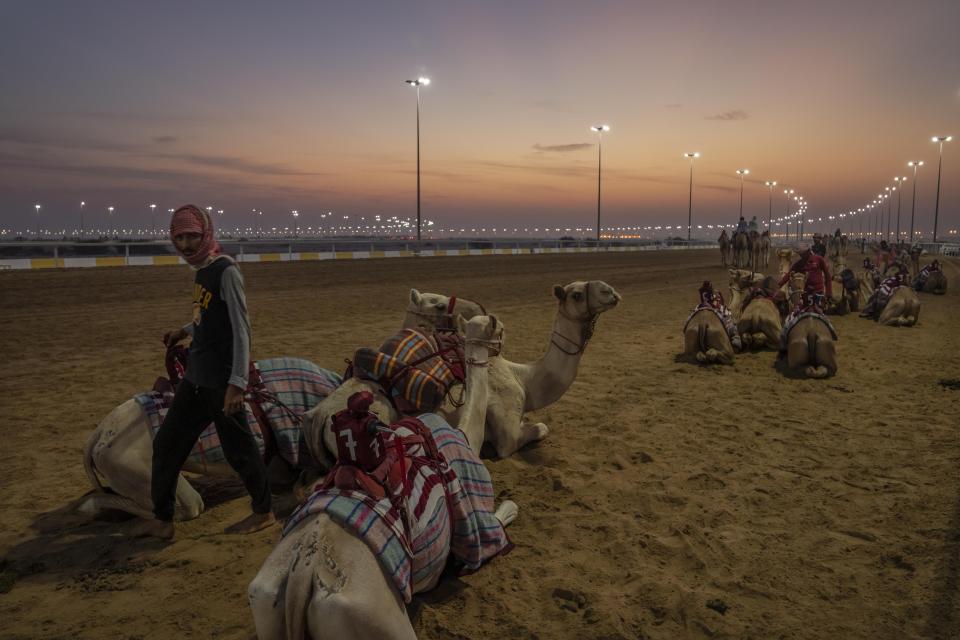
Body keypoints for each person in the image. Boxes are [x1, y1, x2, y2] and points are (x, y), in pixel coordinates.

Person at [132, 205, 275, 539]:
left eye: (191, 236)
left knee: (239, 450)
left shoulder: (226, 271)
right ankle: (163, 519)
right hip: (195, 378)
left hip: (221, 381)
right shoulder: (201, 270)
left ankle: (264, 512)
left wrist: (237, 384)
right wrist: (184, 331)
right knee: (167, 445)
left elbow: (241, 330)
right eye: (179, 237)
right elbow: (207, 319)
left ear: (205, 234)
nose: (185, 244)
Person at [695, 281, 741, 350]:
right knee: (728, 317)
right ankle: (735, 339)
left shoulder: (701, 291)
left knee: (693, 314)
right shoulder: (713, 294)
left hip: (702, 306)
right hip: (712, 306)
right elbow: (716, 301)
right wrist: (718, 296)